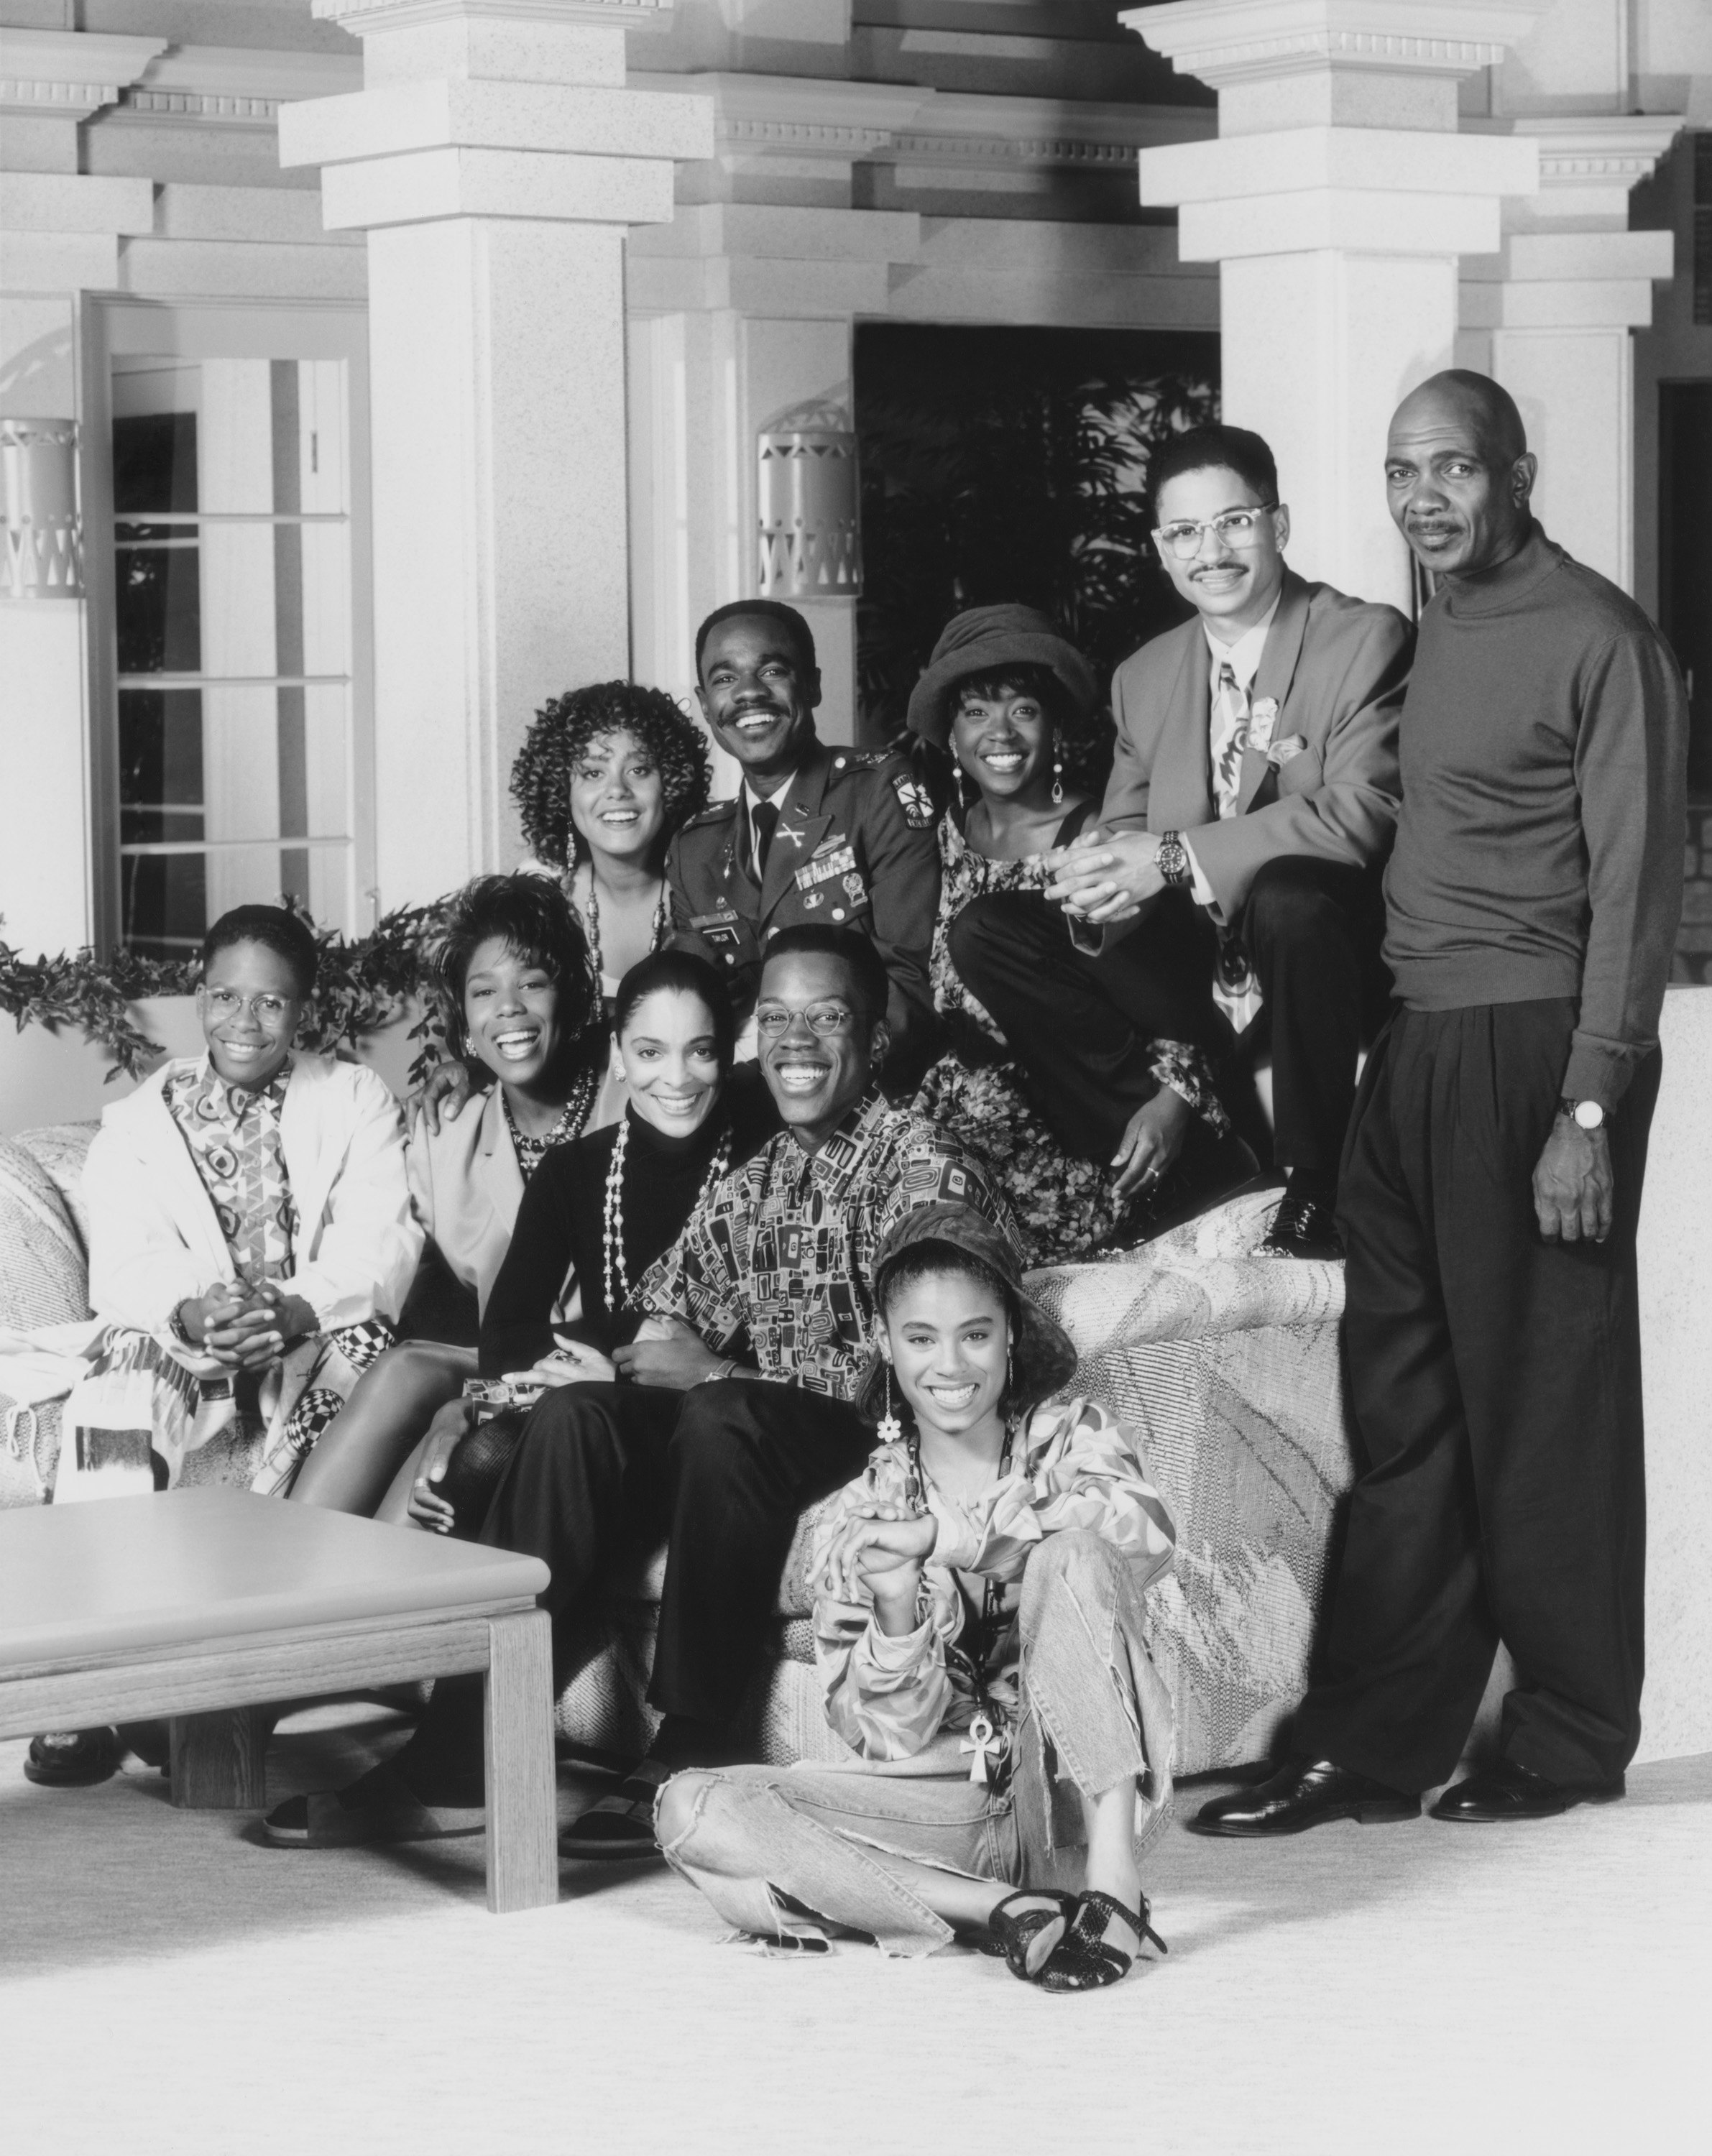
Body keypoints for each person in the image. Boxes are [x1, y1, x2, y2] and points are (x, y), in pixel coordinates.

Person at [1192, 371, 1688, 1838]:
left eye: (1455, 467)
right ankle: (1374, 1740)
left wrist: (1587, 1107)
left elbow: (1636, 891)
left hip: (1533, 1047)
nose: (1426, 495)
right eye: (1404, 469)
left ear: (1517, 474)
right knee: (1403, 1416)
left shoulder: (1602, 639)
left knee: (1540, 1408)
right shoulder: (1428, 634)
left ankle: (1571, 1730)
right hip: (1409, 1051)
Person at [262, 926, 1019, 1856]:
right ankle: (462, 1744)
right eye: (774, 1018)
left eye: (827, 1017)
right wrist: (631, 1368)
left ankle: (689, 1748)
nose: (796, 1040)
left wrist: (714, 1371)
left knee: (719, 1410)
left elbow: (923, 1377)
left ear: (872, 1035)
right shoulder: (761, 1179)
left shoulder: (921, 1169)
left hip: (864, 1438)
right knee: (582, 1415)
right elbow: (657, 1313)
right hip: (751, 1430)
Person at [656, 1202, 1176, 1990]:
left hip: (1068, 1791)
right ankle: (1000, 1909)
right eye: (921, 1338)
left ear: (1009, 1335)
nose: (952, 1366)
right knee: (691, 1806)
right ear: (886, 1346)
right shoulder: (861, 1516)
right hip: (947, 1804)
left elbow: (1142, 1538)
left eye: (975, 1333)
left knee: (1073, 1551)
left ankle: (1112, 1892)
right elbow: (889, 1743)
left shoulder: (1072, 1435)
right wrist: (898, 1612)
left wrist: (954, 1542)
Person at [959, 425, 1409, 1259]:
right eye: (1185, 533)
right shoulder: (1145, 675)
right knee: (991, 930)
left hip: (1320, 954)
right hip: (1203, 964)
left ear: (1279, 524)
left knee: (1289, 894)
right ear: (1161, 548)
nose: (1213, 551)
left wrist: (1169, 859)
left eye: (1235, 522)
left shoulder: (1363, 637)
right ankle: (1205, 1157)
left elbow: (1360, 814)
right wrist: (1094, 874)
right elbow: (1128, 828)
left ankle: (1315, 1186)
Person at [24, 905, 420, 1788]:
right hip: (190, 1336)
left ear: (304, 1010)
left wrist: (290, 1309)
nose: (247, 1022)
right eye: (226, 998)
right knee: (117, 1397)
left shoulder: (352, 1096)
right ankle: (84, 1697)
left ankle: (217, 1682)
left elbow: (382, 1244)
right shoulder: (137, 1119)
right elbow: (125, 1260)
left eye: (272, 1004)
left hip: (312, 1337)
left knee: (368, 1356)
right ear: (200, 999)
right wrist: (198, 1311)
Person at [907, 604, 1247, 1257]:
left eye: (1023, 711)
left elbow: (1174, 990)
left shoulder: (1103, 837)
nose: (999, 732)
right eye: (976, 712)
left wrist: (1175, 1102)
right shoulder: (939, 837)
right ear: (951, 733)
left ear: (1055, 726)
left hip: (1086, 1121)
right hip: (967, 1114)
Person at [401, 949, 778, 1537]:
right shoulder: (574, 1169)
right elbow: (503, 1339)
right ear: (618, 1058)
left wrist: (683, 1370)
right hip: (600, 1402)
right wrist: (619, 1352)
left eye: (699, 1051)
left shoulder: (765, 1156)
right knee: (469, 1464)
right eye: (650, 1052)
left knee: (523, 1442)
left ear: (728, 1056)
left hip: (715, 1415)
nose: (676, 1079)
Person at [284, 874, 606, 1519]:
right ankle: (293, 1584)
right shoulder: (445, 1131)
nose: (508, 1008)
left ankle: (365, 1603)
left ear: (567, 996)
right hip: (508, 1359)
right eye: (484, 992)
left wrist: (470, 1408)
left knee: (441, 1459)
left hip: (597, 1367)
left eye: (532, 983)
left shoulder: (637, 1098)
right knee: (404, 1369)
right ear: (464, 1021)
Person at [414, 680, 713, 1135]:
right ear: (562, 792)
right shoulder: (542, 888)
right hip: (570, 1127)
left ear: (670, 782)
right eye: (593, 773)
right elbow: (504, 1009)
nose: (617, 791)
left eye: (640, 770)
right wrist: (473, 1067)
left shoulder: (707, 890)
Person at [668, 599, 940, 1093]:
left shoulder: (877, 791)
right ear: (706, 704)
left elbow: (910, 988)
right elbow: (686, 1012)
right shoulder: (695, 849)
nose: (749, 693)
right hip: (735, 1110)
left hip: (864, 1099)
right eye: (726, 679)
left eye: (772, 670)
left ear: (812, 685)